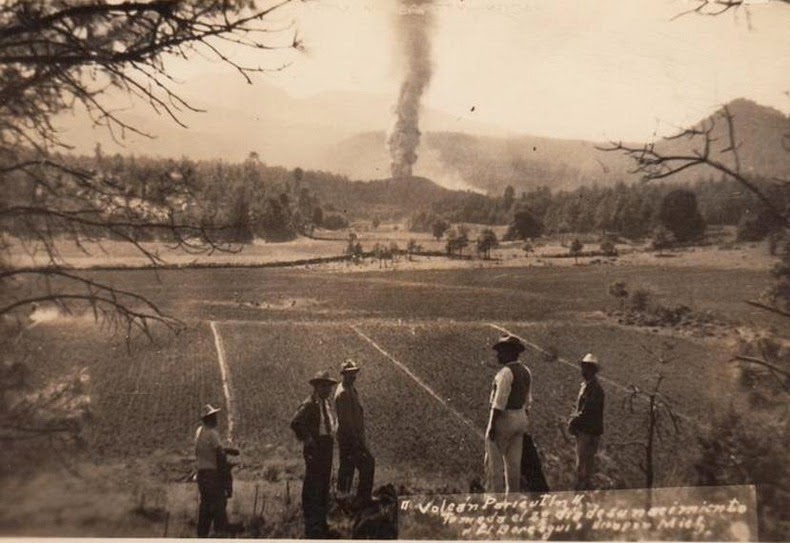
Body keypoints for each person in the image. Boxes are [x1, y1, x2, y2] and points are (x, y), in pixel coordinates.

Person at [290, 370, 339, 538]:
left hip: (326, 446)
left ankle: (321, 524)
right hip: (316, 448)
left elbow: (328, 424)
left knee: (324, 485)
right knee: (314, 486)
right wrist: (309, 440)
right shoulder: (310, 403)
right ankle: (312, 527)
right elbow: (296, 422)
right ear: (317, 386)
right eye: (324, 386)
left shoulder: (325, 403)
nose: (327, 389)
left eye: (329, 386)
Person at [485, 334, 532, 494]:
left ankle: (494, 503)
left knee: (494, 465)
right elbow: (528, 401)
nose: (498, 354)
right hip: (520, 418)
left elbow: (499, 402)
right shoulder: (526, 371)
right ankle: (512, 502)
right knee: (514, 465)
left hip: (504, 419)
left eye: (501, 351)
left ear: (511, 353)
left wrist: (492, 426)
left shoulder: (505, 373)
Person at [335, 359, 375, 508]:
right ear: (344, 374)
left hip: (351, 438)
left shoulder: (349, 389)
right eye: (350, 374)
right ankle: (362, 499)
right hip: (350, 438)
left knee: (347, 467)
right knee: (367, 464)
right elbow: (346, 422)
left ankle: (344, 499)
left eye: (354, 373)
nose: (354, 376)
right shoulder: (344, 393)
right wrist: (357, 441)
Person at [568, 353, 605, 491]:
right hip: (588, 431)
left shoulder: (593, 388)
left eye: (587, 368)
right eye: (583, 367)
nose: (583, 371)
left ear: (592, 370)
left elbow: (587, 410)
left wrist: (573, 421)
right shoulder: (589, 386)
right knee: (585, 467)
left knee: (582, 467)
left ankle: (580, 496)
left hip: (587, 433)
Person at [195, 403, 231, 538]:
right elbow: (219, 454)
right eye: (213, 416)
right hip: (212, 475)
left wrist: (227, 450)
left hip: (201, 473)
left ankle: (202, 534)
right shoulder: (212, 433)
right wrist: (226, 474)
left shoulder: (199, 431)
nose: (216, 418)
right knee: (219, 504)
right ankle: (220, 534)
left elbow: (207, 450)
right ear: (209, 418)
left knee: (205, 505)